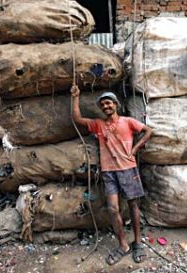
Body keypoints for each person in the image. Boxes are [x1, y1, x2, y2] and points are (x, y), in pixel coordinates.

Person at [71, 85, 152, 265]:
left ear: (115, 104)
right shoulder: (98, 125)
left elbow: (148, 131)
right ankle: (123, 245)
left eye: (109, 103)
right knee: (113, 209)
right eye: (103, 105)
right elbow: (77, 119)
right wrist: (76, 97)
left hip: (128, 169)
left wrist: (136, 148)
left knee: (133, 206)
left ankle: (138, 243)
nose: (106, 107)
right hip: (109, 172)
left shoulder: (128, 121)